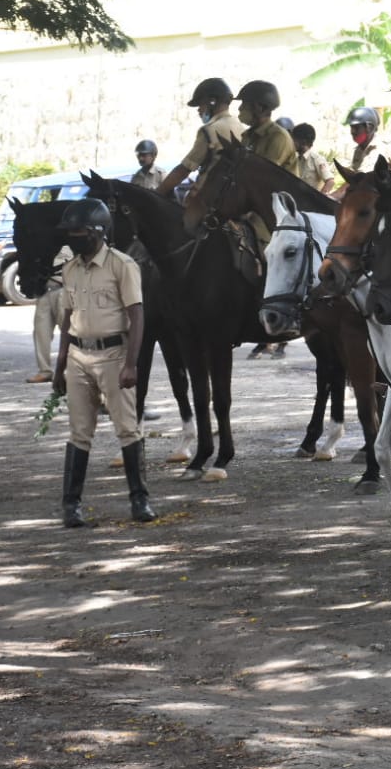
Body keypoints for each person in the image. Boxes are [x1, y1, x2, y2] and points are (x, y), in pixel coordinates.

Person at [52, 199, 155, 526]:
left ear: (97, 232)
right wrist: (61, 365)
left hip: (113, 355)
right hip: (79, 357)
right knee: (79, 432)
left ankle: (140, 500)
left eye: (78, 232)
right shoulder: (70, 269)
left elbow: (137, 316)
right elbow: (68, 318)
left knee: (126, 428)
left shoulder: (121, 265)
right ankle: (71, 505)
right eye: (69, 232)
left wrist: (131, 364)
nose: (72, 237)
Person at [158, 77, 245, 195]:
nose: (199, 110)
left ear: (212, 102)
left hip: (209, 199)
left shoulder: (209, 130)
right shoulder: (239, 126)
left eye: (201, 105)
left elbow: (183, 170)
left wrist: (156, 194)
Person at [27, 241, 71, 384]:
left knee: (69, 331)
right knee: (41, 332)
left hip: (62, 290)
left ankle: (71, 369)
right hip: (44, 291)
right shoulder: (39, 244)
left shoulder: (68, 245)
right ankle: (44, 370)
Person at [342, 106, 391, 173]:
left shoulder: (380, 149)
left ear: (370, 128)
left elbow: (364, 178)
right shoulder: (359, 149)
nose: (352, 132)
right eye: (351, 127)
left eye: (356, 128)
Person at [292, 123, 337, 195]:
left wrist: (320, 199)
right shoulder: (297, 159)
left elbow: (330, 181)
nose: (292, 143)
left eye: (294, 140)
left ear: (303, 141)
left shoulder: (316, 159)